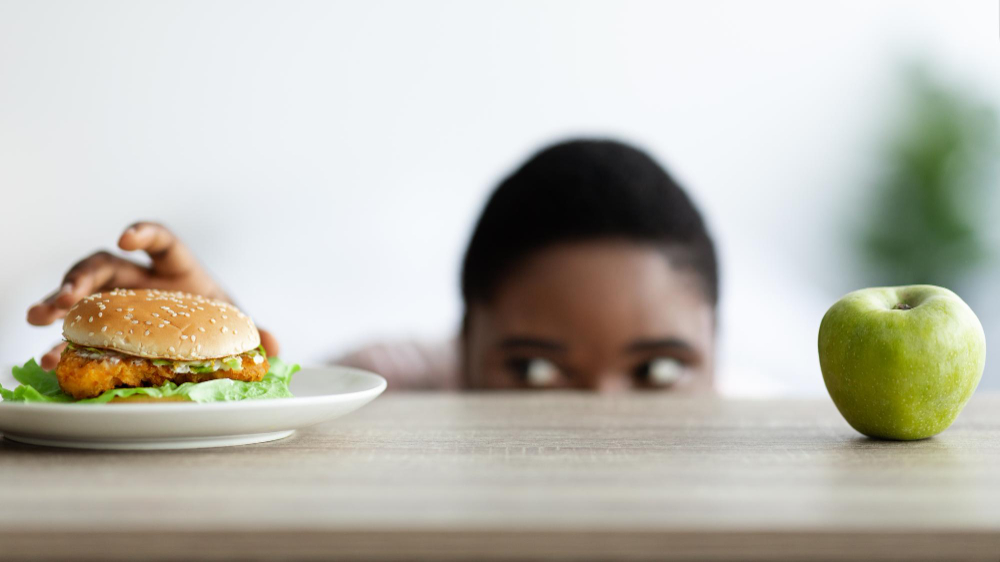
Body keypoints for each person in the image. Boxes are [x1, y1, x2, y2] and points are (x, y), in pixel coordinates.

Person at [27, 139, 719, 392]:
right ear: (462, 340)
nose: (603, 427)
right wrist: (216, 336)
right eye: (535, 373)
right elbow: (289, 412)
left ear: (718, 348)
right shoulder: (392, 378)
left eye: (658, 373)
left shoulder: (766, 408)